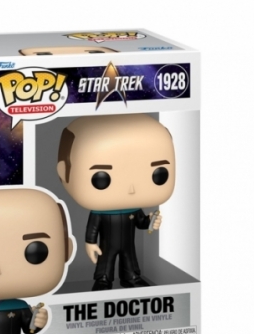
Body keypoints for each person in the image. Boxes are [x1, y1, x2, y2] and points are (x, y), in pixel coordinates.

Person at [57, 114, 175, 291]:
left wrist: (150, 221)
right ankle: (103, 279)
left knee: (130, 257)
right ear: (64, 171)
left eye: (158, 174)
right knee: (106, 259)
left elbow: (140, 222)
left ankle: (131, 277)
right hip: (107, 244)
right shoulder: (100, 211)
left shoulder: (133, 208)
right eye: (101, 179)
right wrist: (90, 242)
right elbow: (93, 227)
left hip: (128, 243)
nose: (131, 189)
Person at [0, 188, 74, 334]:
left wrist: (38, 321)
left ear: (66, 250)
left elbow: (29, 330)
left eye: (35, 251)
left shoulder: (19, 306)